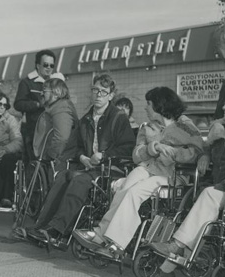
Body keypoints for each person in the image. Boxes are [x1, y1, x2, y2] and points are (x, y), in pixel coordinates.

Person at [73, 87, 203, 259]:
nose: (145, 108)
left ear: (159, 105)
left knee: (134, 192)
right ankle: (100, 234)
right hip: (147, 168)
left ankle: (116, 244)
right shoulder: (147, 128)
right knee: (124, 189)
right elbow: (136, 155)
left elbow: (196, 152)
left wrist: (171, 152)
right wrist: (153, 147)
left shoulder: (184, 126)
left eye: (148, 104)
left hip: (171, 175)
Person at [149, 87, 225, 275]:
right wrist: (205, 155)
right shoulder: (219, 132)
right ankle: (173, 265)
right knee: (198, 200)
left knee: (208, 196)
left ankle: (176, 246)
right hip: (221, 187)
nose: (224, 107)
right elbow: (207, 149)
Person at [30, 74, 135, 242]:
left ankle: (56, 230)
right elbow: (76, 147)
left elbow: (128, 147)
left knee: (80, 181)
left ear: (111, 95)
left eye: (103, 91)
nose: (98, 95)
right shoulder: (86, 119)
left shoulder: (118, 117)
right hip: (89, 167)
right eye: (95, 90)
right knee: (63, 176)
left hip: (110, 170)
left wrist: (104, 155)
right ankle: (41, 225)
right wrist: (82, 157)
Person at [14, 49, 61, 163]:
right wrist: (38, 104)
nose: (49, 68)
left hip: (52, 130)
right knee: (33, 163)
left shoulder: (56, 82)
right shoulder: (27, 82)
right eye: (45, 64)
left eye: (51, 65)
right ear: (38, 65)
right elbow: (18, 104)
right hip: (33, 130)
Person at [32, 78, 78, 171]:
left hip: (58, 160)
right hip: (55, 158)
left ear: (56, 93)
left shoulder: (61, 109)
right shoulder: (56, 107)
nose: (41, 93)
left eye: (44, 90)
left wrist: (49, 156)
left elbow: (61, 137)